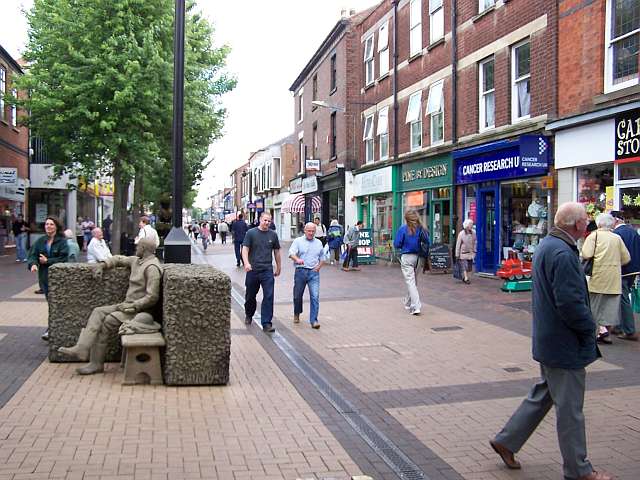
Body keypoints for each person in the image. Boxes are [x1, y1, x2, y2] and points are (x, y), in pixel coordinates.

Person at [490, 202, 612, 480]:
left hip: (549, 339)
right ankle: (579, 471)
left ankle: (506, 440)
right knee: (570, 410)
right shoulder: (564, 253)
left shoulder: (548, 245)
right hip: (563, 342)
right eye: (585, 220)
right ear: (577, 224)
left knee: (544, 394)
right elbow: (570, 303)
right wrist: (589, 329)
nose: (588, 224)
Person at [57, 238, 162, 375]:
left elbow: (152, 297)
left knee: (107, 322)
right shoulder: (137, 261)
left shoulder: (152, 267)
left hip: (139, 311)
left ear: (144, 248)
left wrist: (135, 305)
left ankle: (95, 363)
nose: (136, 247)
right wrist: (102, 265)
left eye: (138, 246)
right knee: (98, 311)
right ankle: (82, 348)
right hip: (126, 306)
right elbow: (118, 259)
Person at [581, 213, 630, 345]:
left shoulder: (594, 236)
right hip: (614, 279)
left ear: (599, 224)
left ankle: (598, 332)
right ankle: (605, 333)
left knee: (594, 307)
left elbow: (586, 254)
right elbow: (626, 258)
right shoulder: (617, 238)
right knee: (610, 309)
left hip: (597, 277)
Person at [27, 216, 69, 341]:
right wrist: (33, 264)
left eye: (51, 224)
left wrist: (47, 261)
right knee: (51, 303)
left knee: (54, 304)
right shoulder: (40, 241)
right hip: (44, 278)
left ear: (56, 226)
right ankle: (53, 328)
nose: (48, 226)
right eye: (46, 224)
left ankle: (52, 329)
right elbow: (32, 255)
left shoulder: (62, 242)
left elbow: (64, 259)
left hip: (58, 279)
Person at [242, 212, 281, 333]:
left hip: (267, 270)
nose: (267, 223)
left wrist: (279, 267)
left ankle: (266, 323)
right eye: (265, 220)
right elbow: (245, 249)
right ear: (260, 220)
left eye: (269, 221)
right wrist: (247, 263)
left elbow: (277, 251)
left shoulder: (273, 235)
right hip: (253, 270)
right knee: (250, 296)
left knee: (269, 296)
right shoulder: (251, 233)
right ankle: (249, 314)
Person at [289, 222, 327, 329]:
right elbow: (291, 253)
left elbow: (322, 257)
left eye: (313, 231)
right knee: (297, 296)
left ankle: (314, 320)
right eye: (309, 231)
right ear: (305, 231)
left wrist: (318, 267)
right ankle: (297, 313)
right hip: (300, 271)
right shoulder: (298, 241)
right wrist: (297, 259)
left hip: (313, 273)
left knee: (315, 296)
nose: (311, 233)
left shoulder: (318, 243)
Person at [611, 211, 640, 341]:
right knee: (621, 298)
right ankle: (619, 326)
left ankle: (629, 330)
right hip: (633, 270)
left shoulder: (616, 234)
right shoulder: (633, 232)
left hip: (622, 270)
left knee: (622, 299)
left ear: (615, 220)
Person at [393, 210, 429, 316]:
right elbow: (428, 242)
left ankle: (416, 306)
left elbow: (397, 244)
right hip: (419, 258)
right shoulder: (422, 229)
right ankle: (408, 302)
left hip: (407, 257)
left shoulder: (403, 229)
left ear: (406, 219)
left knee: (411, 281)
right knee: (413, 281)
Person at [455, 219, 477, 284]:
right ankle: (466, 278)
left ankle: (465, 276)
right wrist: (457, 254)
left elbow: (475, 242)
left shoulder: (474, 232)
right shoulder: (461, 234)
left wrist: (475, 250)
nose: (472, 225)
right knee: (465, 266)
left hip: (470, 253)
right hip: (463, 253)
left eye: (472, 224)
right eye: (471, 224)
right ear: (467, 226)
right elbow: (458, 244)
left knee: (469, 268)